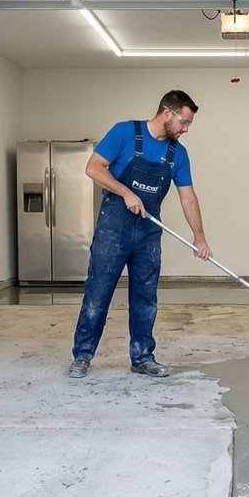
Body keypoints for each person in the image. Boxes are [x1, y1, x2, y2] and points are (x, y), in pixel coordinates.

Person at [68, 90, 211, 379]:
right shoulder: (124, 132)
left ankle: (143, 358)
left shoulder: (178, 154)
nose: (186, 129)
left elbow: (188, 196)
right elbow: (93, 168)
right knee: (98, 293)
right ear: (167, 113)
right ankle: (82, 356)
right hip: (114, 229)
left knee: (145, 298)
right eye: (184, 122)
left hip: (148, 233)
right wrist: (125, 192)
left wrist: (199, 237)